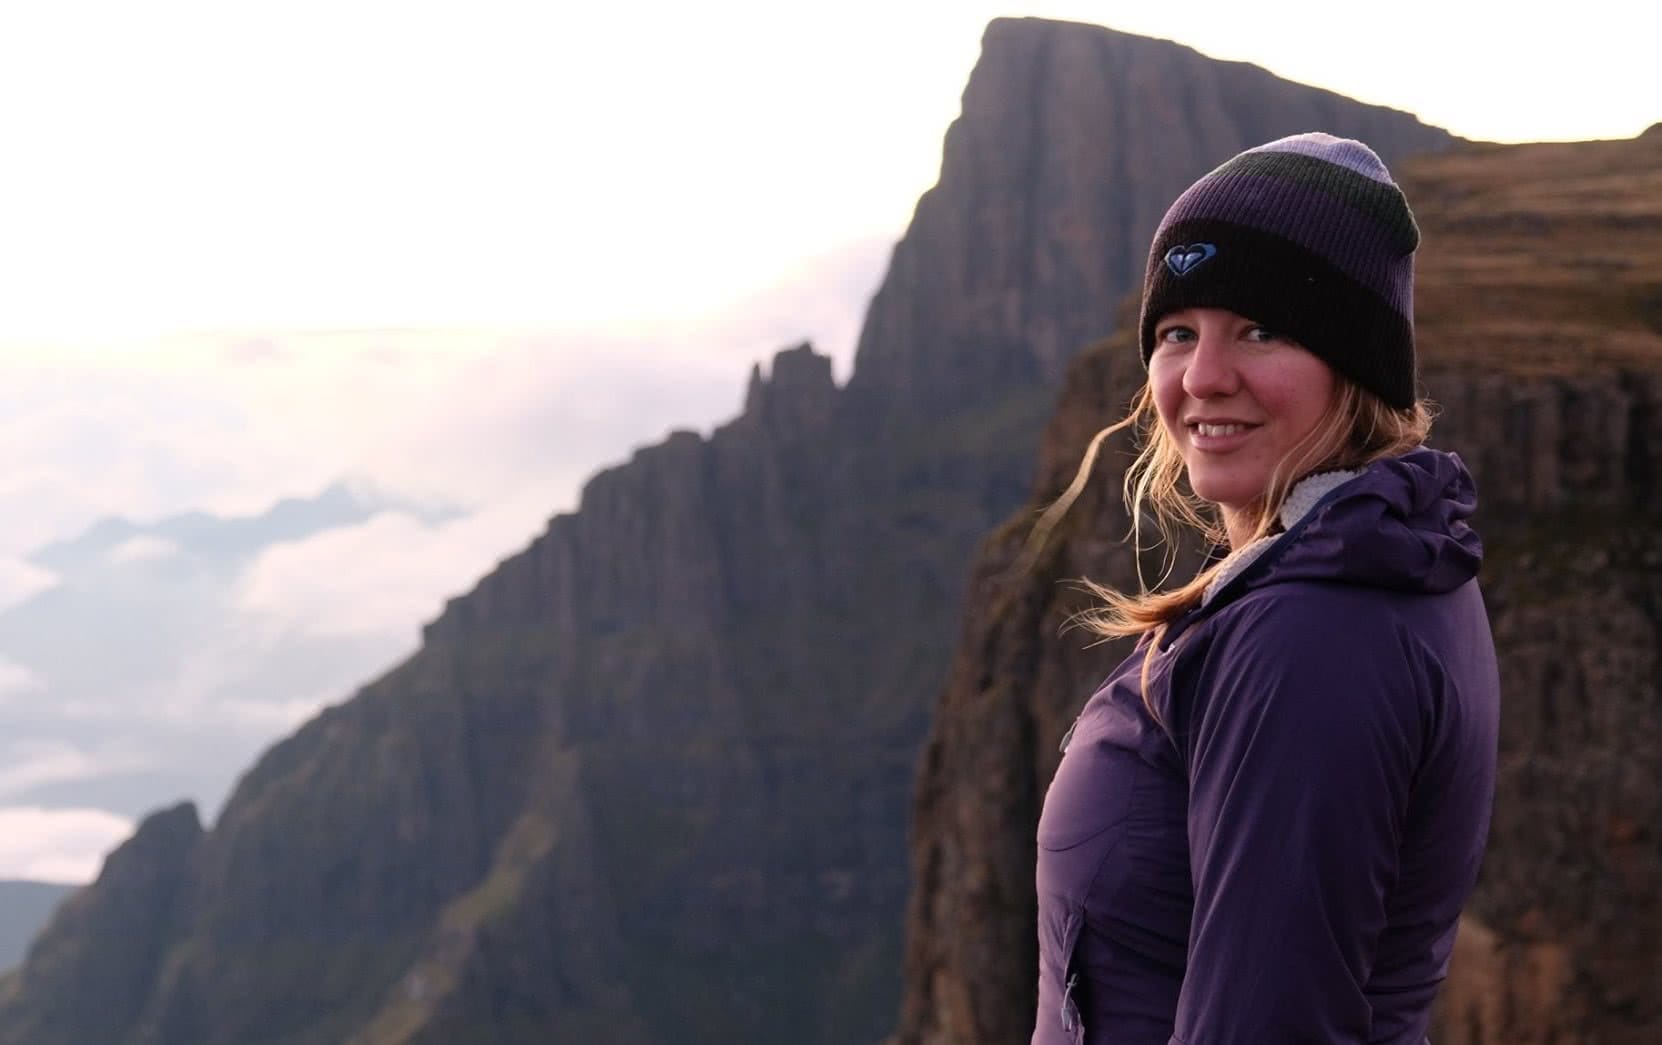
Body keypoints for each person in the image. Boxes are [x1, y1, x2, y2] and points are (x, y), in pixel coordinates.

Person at [1028, 133, 1501, 1043]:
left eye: (1261, 328)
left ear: (1355, 360)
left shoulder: (1313, 634)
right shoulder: (1378, 563)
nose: (1203, 378)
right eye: (1178, 333)